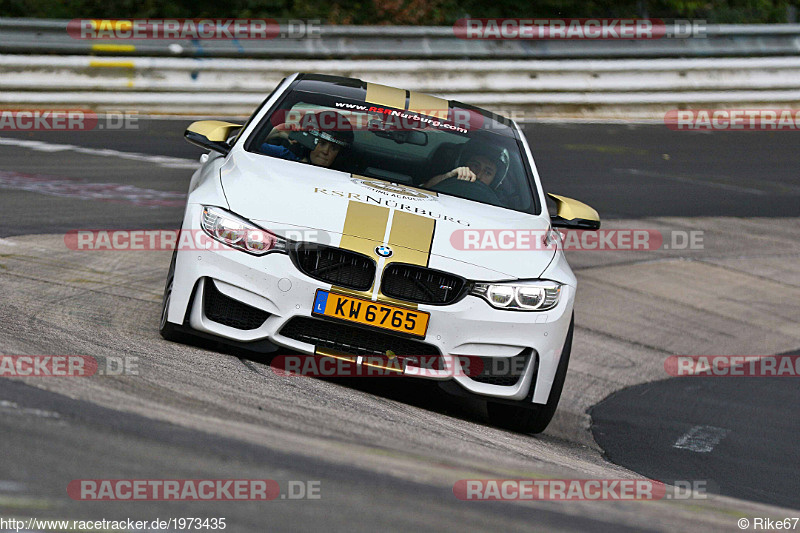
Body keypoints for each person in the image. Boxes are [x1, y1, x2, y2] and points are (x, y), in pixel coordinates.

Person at [260, 110, 354, 169]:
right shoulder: (286, 156)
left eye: (334, 148)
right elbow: (253, 144)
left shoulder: (344, 178)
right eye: (321, 143)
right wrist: (279, 131)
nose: (325, 151)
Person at [422, 140, 507, 189]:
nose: (478, 176)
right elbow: (423, 191)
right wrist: (448, 176)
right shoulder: (446, 181)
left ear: (494, 180)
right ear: (463, 164)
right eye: (475, 166)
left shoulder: (496, 203)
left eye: (488, 173)